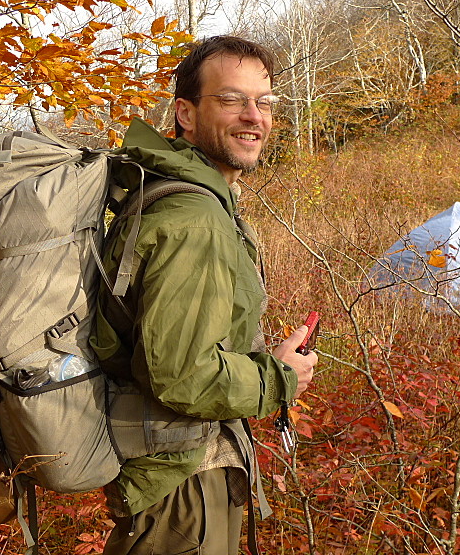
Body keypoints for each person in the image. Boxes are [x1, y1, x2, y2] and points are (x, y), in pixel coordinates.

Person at [91, 36, 318, 555]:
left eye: (264, 102)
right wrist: (279, 377)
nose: (253, 116)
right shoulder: (195, 221)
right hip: (184, 492)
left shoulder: (177, 199)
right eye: (232, 99)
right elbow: (181, 375)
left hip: (180, 482)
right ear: (185, 114)